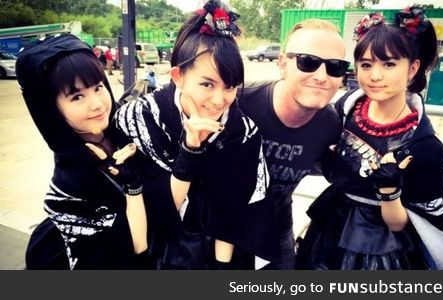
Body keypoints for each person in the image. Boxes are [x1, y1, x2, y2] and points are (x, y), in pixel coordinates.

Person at [114, 0, 279, 269]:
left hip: (215, 250)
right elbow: (156, 208)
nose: (219, 100)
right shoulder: (140, 119)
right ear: (178, 76)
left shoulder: (243, 132)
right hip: (155, 249)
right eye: (207, 84)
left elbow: (234, 211)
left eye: (230, 86)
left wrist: (221, 269)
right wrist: (190, 149)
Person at [297, 6, 443, 270]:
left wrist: (389, 189)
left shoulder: (425, 149)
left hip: (381, 253)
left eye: (389, 64)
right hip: (328, 227)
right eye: (366, 65)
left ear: (413, 68)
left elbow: (400, 224)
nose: (375, 76)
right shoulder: (346, 108)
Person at [16, 33, 152, 269]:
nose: (97, 104)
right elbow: (134, 247)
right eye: (77, 96)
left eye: (98, 87)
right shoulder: (68, 185)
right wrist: (133, 186)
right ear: (51, 109)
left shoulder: (127, 131)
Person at [238, 19, 348, 269]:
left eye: (335, 67)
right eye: (307, 62)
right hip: (221, 228)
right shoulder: (240, 103)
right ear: (282, 64)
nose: (321, 76)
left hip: (277, 231)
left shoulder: (331, 125)